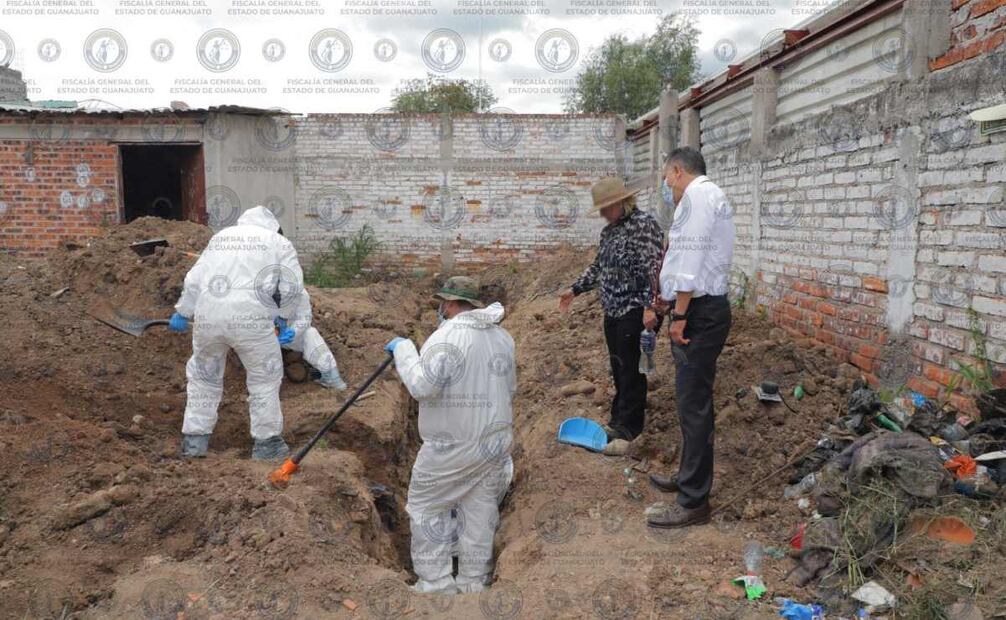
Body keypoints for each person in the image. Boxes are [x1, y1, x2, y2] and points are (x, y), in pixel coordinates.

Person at [385, 276, 516, 595]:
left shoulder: (447, 337)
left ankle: (436, 582)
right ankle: (473, 582)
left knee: (427, 505)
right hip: (494, 443)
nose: (439, 309)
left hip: (452, 445)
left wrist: (404, 351)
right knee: (480, 509)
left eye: (442, 303)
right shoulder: (503, 337)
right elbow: (510, 388)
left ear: (454, 304)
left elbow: (422, 387)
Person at [169, 205, 304, 461]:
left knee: (203, 377)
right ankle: (267, 445)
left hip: (209, 313)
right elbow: (292, 286)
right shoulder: (279, 242)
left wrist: (183, 312)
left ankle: (194, 443)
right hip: (251, 315)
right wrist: (284, 318)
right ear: (274, 227)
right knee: (264, 377)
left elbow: (194, 279)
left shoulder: (221, 238)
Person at [646, 147, 735, 528]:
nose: (667, 186)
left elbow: (691, 261)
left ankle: (694, 502)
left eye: (666, 178)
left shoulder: (698, 196)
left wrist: (680, 314)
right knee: (689, 404)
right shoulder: (707, 196)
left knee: (694, 404)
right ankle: (688, 479)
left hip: (700, 312)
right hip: (698, 308)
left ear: (678, 171)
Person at [558, 177, 663, 454]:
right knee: (618, 365)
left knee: (631, 368)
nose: (603, 214)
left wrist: (650, 307)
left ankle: (630, 429)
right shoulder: (609, 232)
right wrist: (574, 289)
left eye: (606, 207)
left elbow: (654, 268)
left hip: (636, 309)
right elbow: (598, 268)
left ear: (621, 202)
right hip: (613, 308)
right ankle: (618, 419)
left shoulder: (643, 225)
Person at [281, 288, 348, 390]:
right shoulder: (253, 294)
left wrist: (293, 331)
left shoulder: (299, 293)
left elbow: (304, 317)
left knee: (310, 333)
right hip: (262, 338)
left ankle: (331, 375)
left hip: (288, 336)